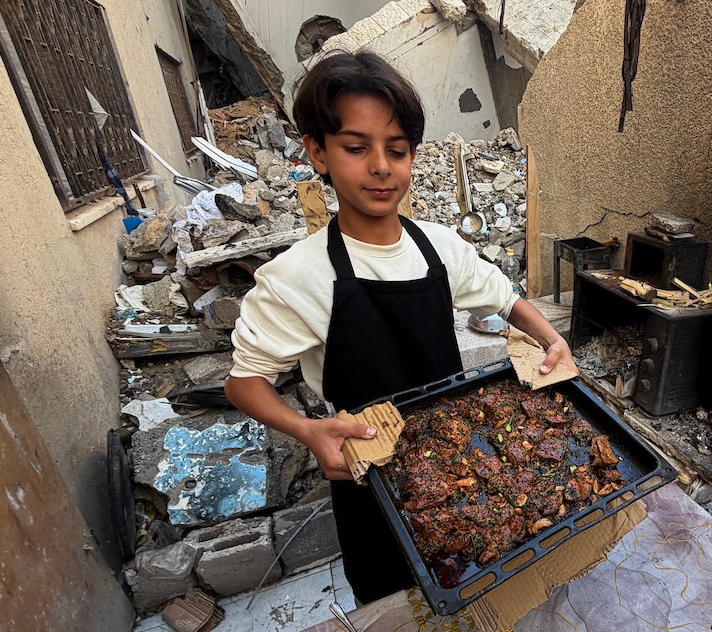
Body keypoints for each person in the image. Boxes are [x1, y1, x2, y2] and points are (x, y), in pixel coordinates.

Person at [225, 50, 577, 604]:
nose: (381, 168)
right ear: (317, 151)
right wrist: (308, 431)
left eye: (397, 150)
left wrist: (551, 339)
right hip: (370, 476)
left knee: (470, 579)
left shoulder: (438, 247)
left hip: (458, 458)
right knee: (394, 606)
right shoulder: (296, 277)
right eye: (356, 148)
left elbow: (507, 299)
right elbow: (243, 382)